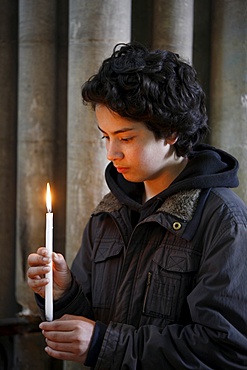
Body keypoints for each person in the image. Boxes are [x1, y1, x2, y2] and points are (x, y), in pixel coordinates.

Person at [27, 42, 247, 369]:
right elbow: (89, 324)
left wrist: (105, 344)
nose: (111, 153)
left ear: (171, 131)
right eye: (106, 136)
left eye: (126, 138)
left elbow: (226, 349)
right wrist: (63, 293)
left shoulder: (223, 221)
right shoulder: (109, 213)